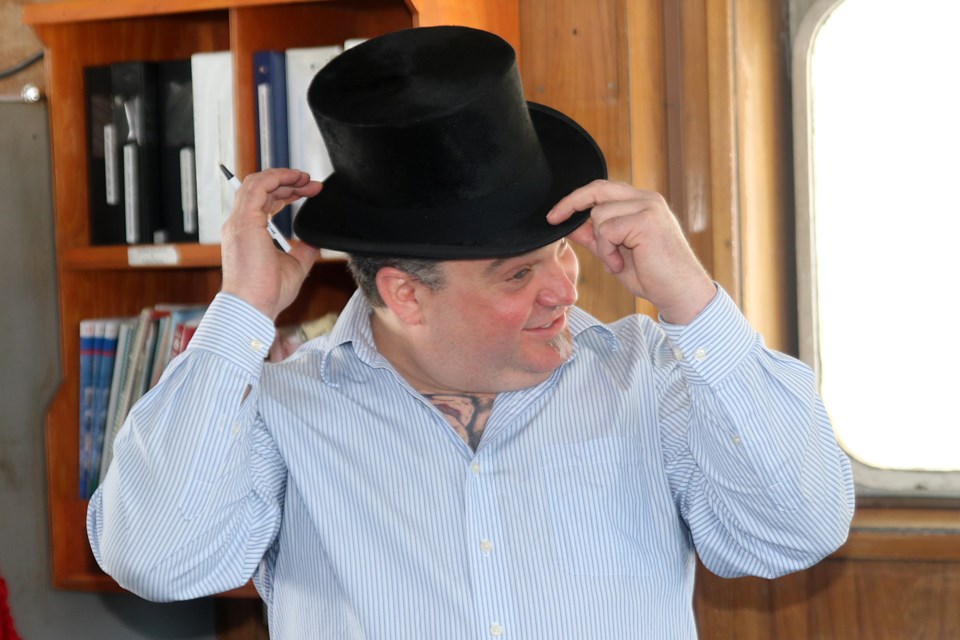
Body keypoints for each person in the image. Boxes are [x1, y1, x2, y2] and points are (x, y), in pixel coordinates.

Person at [87, 26, 854, 638]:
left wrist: (692, 300)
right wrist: (241, 313)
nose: (564, 287)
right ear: (404, 295)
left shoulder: (648, 377)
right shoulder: (280, 408)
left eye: (562, 250)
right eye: (518, 275)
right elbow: (159, 561)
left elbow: (796, 528)